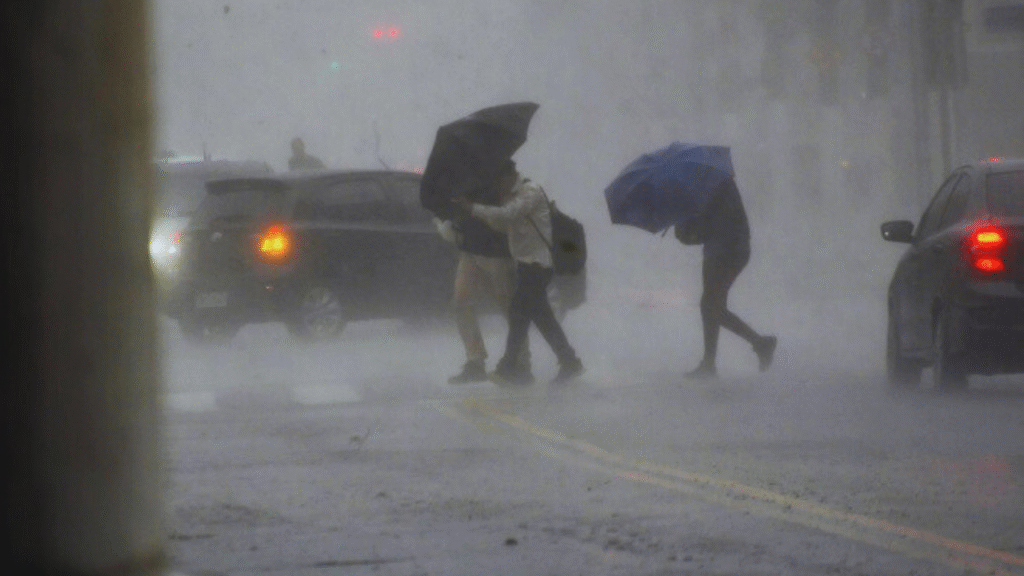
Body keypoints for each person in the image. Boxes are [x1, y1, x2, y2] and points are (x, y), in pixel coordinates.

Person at [454, 160, 583, 385]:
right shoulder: (512, 196)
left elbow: (508, 214)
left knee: (518, 314)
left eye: (499, 183)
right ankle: (569, 361)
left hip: (538, 265)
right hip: (525, 264)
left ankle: (509, 365)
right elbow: (504, 224)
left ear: (509, 176)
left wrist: (473, 208)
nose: (497, 189)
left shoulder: (529, 192)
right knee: (541, 318)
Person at [675, 177, 776, 380]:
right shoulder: (717, 183)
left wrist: (682, 222)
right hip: (729, 249)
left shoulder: (708, 187)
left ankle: (759, 343)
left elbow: (700, 228)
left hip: (723, 251)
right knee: (711, 305)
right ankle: (710, 362)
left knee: (711, 306)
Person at [435, 205, 527, 384]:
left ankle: (522, 362)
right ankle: (475, 361)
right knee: (461, 302)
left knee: (507, 303)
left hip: (495, 248)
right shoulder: (463, 181)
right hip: (470, 247)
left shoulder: (486, 183)